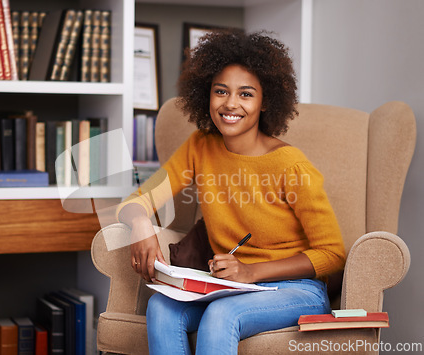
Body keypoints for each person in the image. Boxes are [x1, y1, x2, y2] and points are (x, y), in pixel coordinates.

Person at [116, 29, 346, 355]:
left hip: (296, 290)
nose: (230, 104)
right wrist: (140, 222)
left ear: (266, 101)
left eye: (246, 94)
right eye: (220, 91)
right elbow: (137, 199)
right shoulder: (200, 147)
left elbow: (333, 253)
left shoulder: (293, 166)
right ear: (206, 95)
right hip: (230, 286)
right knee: (161, 309)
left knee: (221, 316)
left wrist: (252, 272)